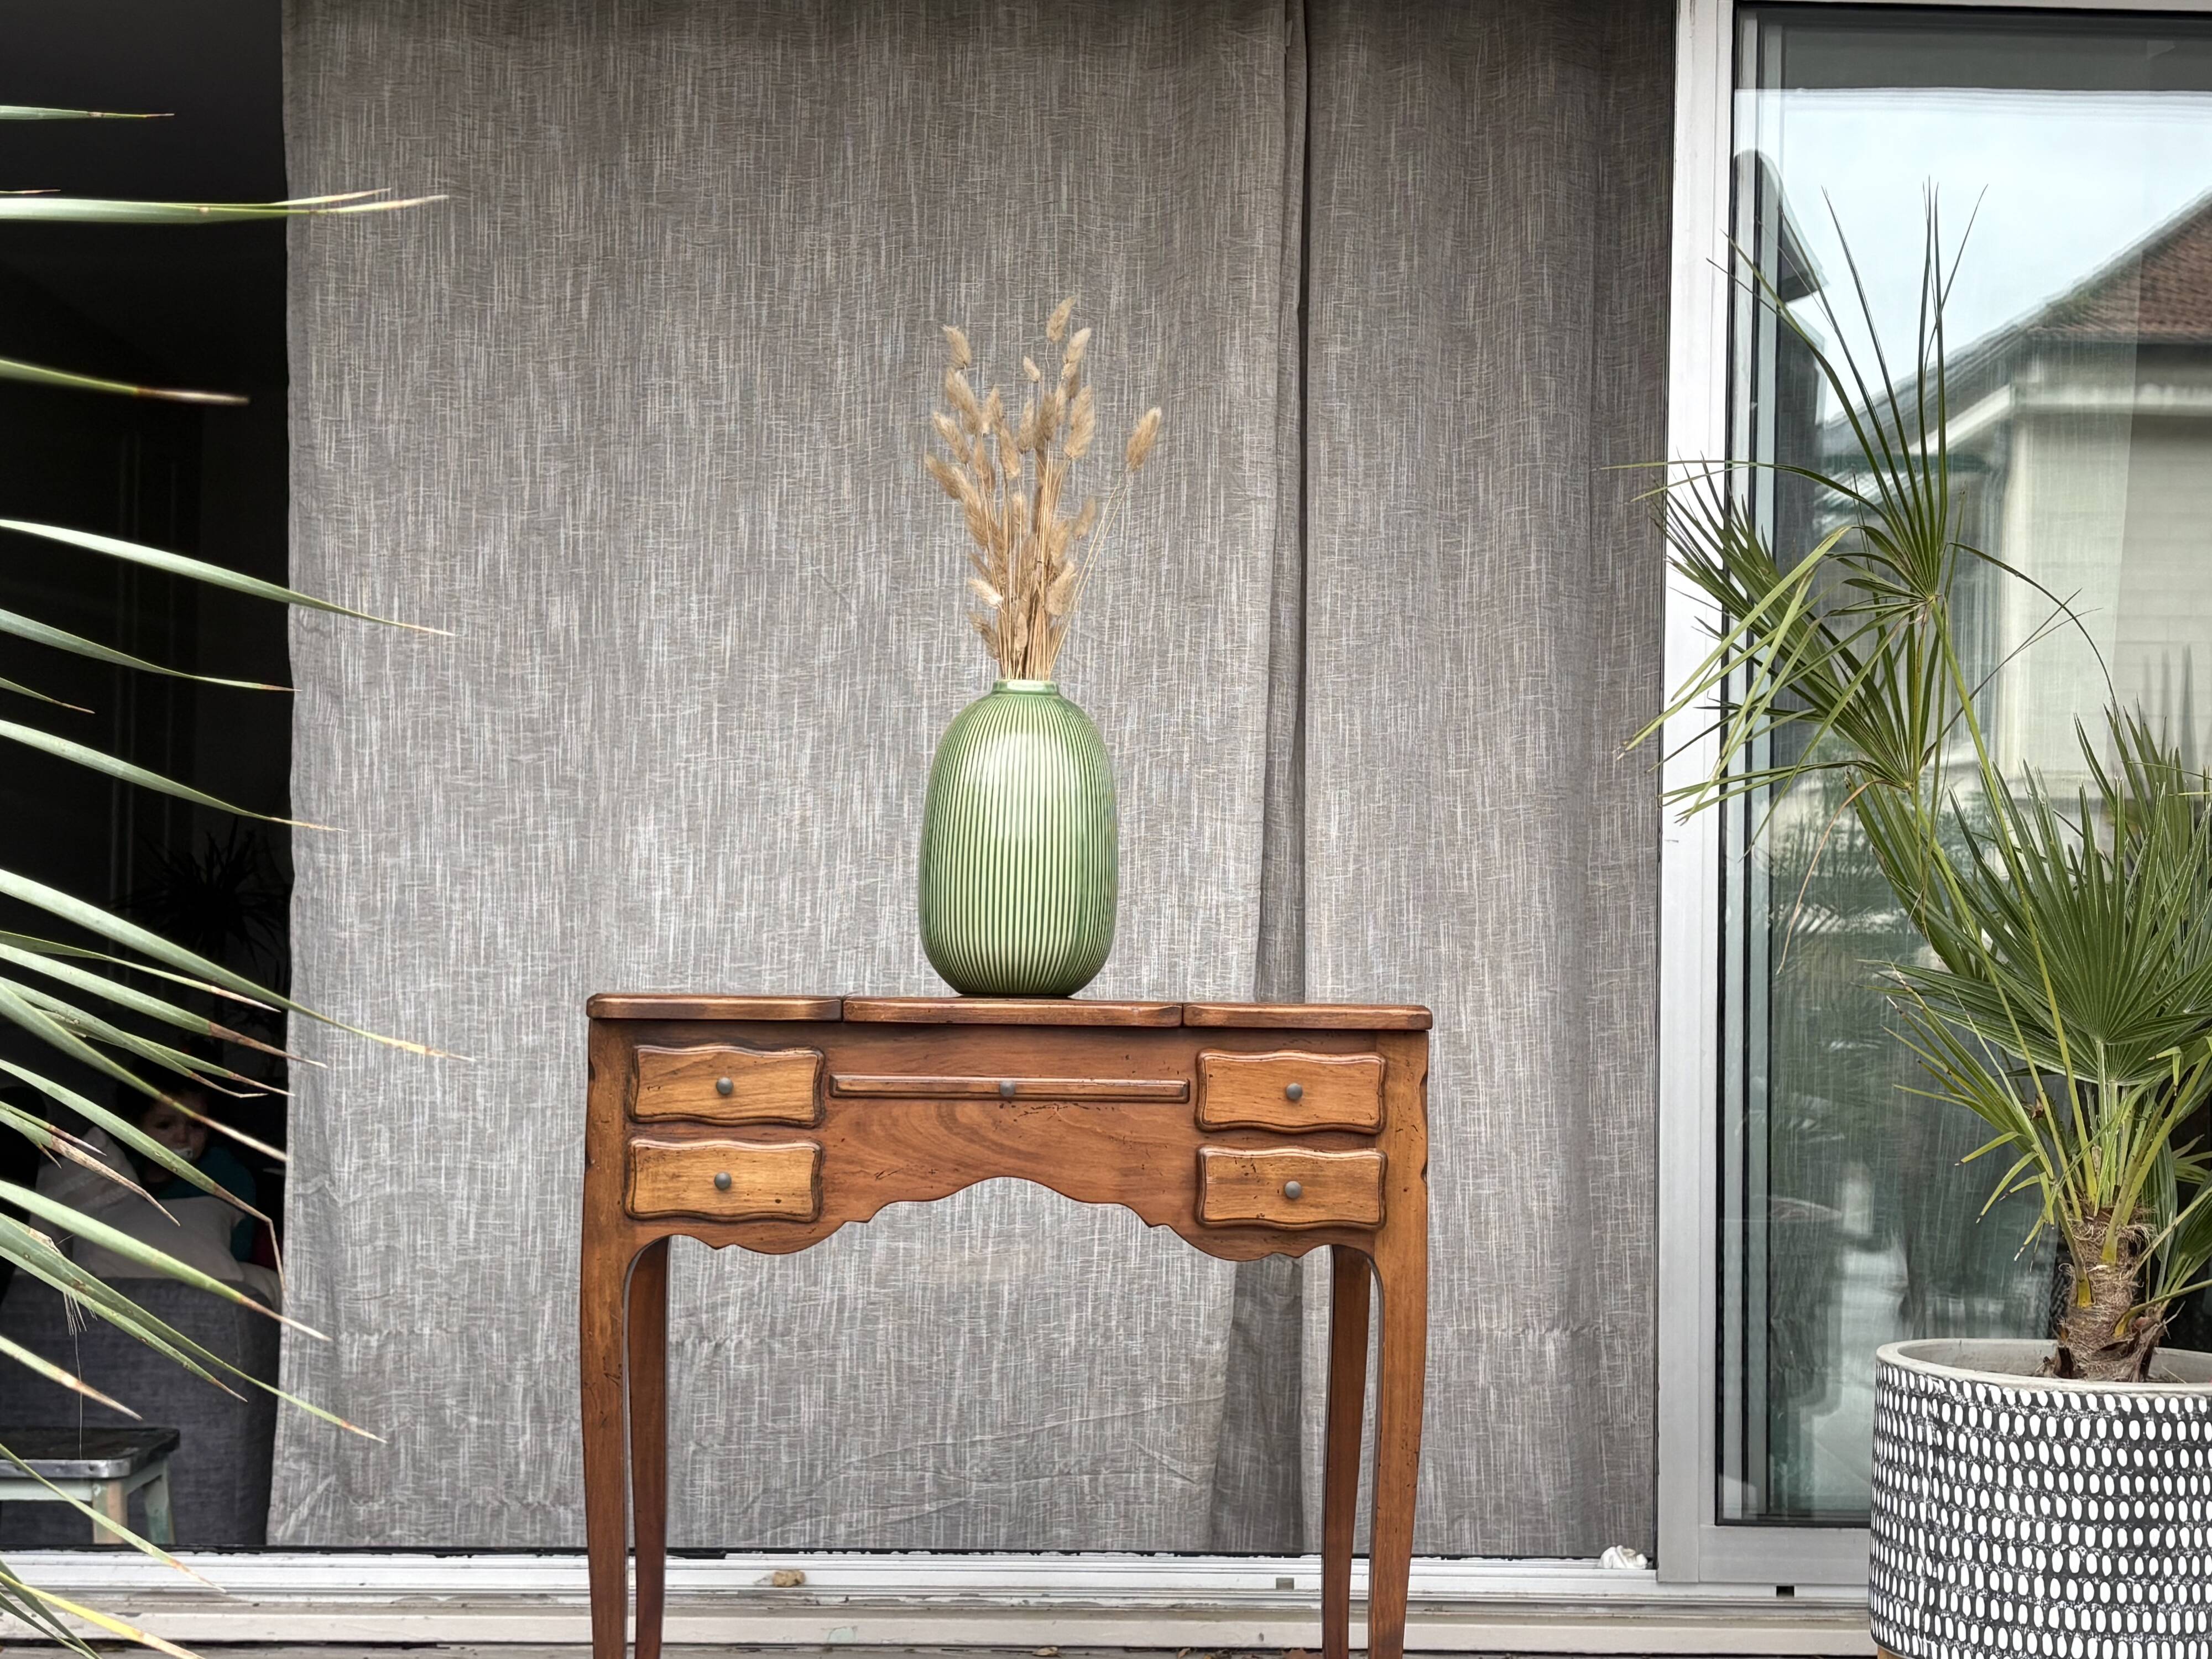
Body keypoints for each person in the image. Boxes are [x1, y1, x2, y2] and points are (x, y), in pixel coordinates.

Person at [33, 1089, 281, 1310]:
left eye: (197, 1126)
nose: (183, 1138)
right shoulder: (121, 1171)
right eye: (165, 1125)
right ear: (136, 1129)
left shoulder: (227, 1176)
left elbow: (234, 1254)